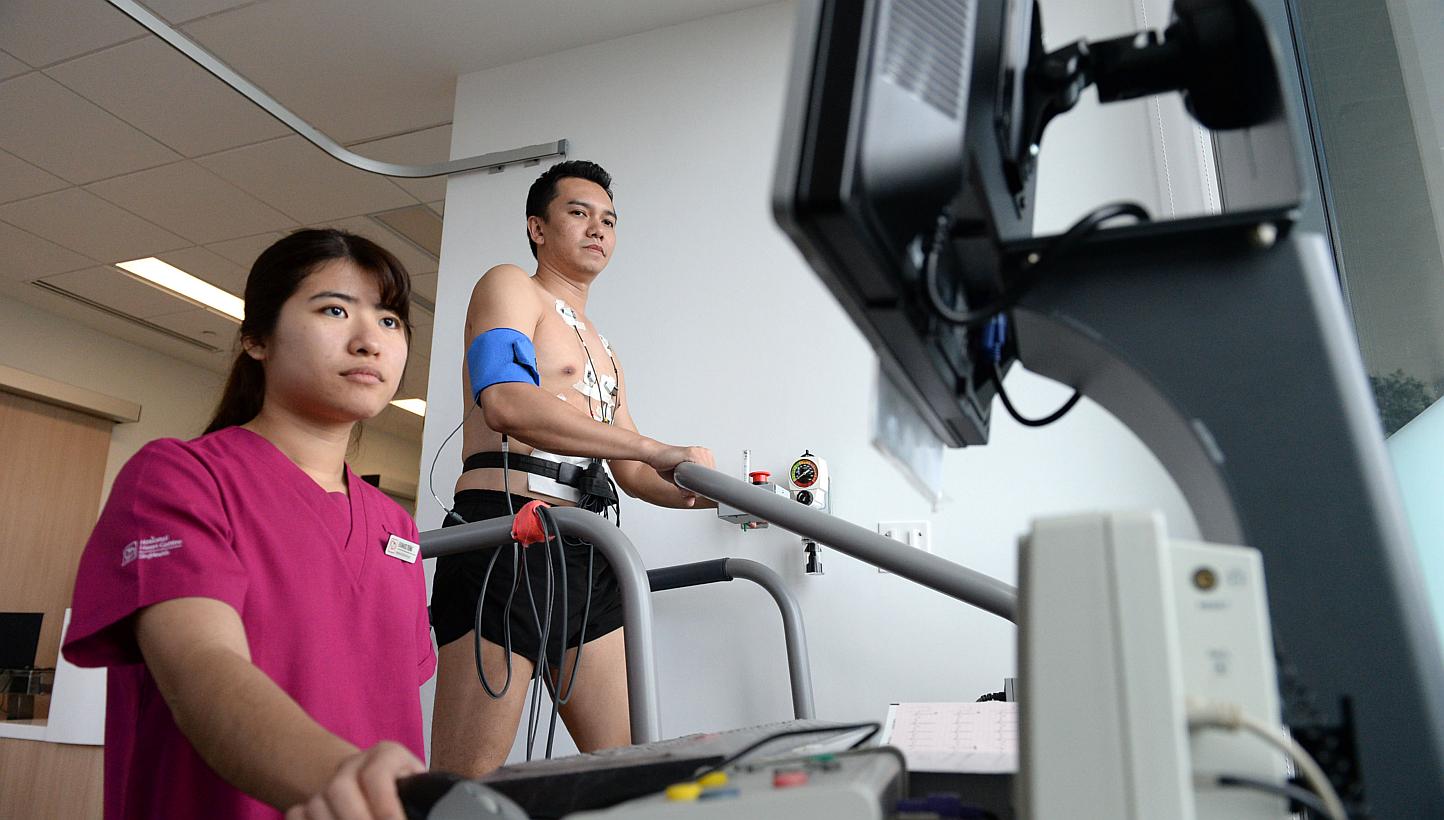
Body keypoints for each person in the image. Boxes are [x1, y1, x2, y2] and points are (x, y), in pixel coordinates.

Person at [62, 229, 435, 820]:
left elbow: (383, 705)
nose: (370, 341)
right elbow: (202, 668)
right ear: (257, 339)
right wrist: (341, 777)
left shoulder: (397, 528)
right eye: (335, 310)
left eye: (390, 321)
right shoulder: (178, 478)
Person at [429, 160, 716, 775]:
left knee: (624, 766)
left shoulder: (603, 346)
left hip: (583, 547)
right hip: (505, 533)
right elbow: (504, 399)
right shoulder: (509, 286)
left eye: (608, 220)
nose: (597, 229)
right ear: (537, 227)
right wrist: (653, 451)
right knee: (466, 779)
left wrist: (711, 495)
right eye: (579, 213)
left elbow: (631, 465)